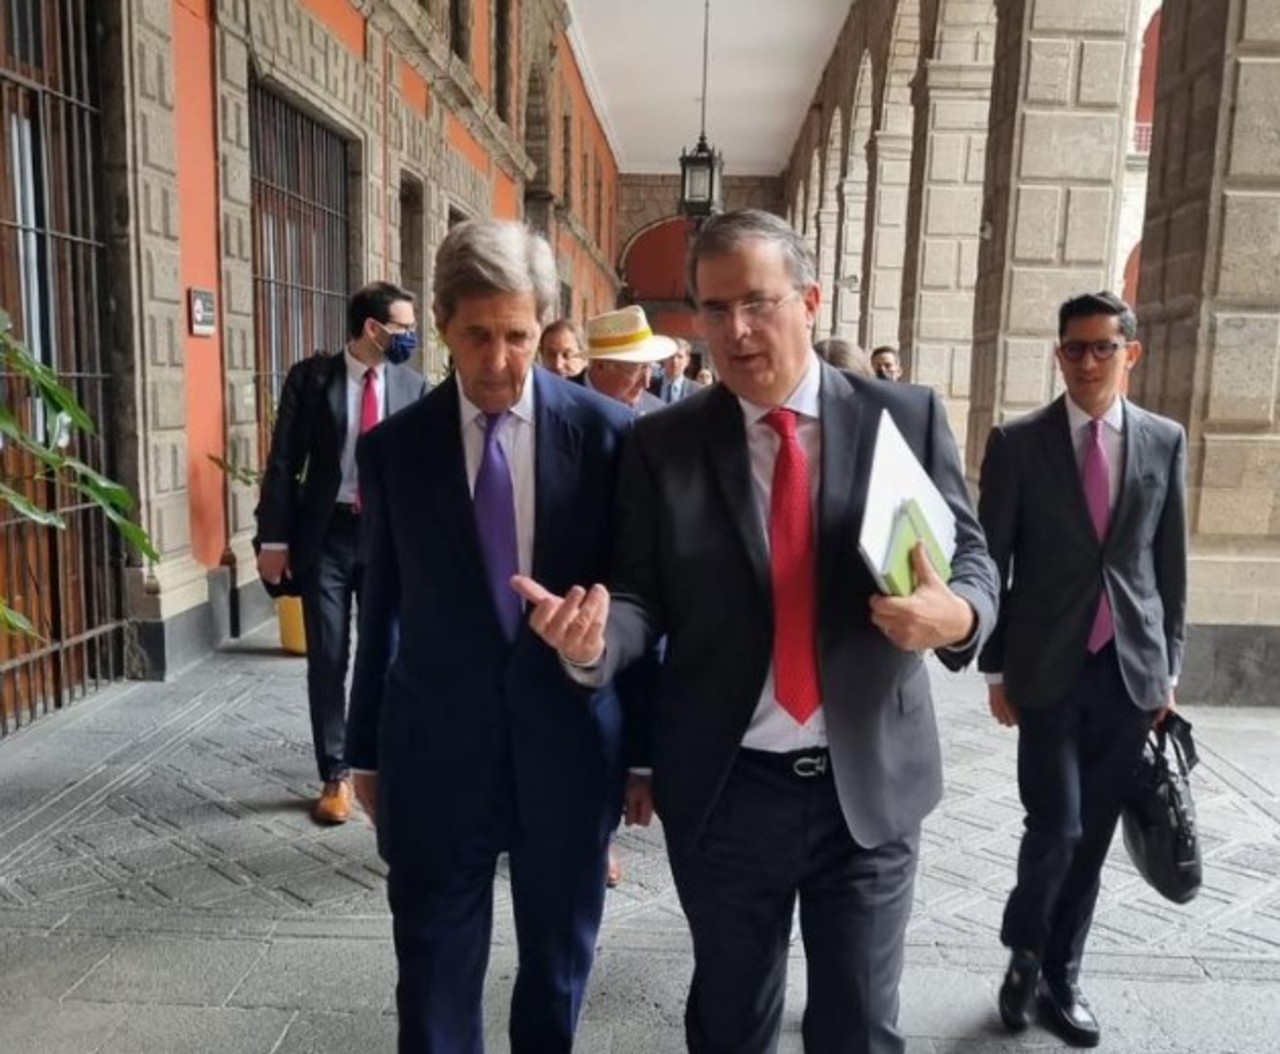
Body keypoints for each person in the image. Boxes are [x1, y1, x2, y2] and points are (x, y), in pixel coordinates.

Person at [515, 208, 999, 1054]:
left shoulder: (904, 417)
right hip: (729, 788)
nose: (734, 330)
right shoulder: (664, 444)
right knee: (731, 1022)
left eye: (756, 303)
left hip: (870, 785)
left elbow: (972, 558)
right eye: (713, 309)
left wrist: (957, 615)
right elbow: (639, 594)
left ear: (808, 301)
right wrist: (594, 644)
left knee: (859, 1029)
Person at [345, 219, 638, 1054]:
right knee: (433, 973)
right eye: (477, 335)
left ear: (543, 326)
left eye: (518, 336)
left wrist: (644, 752)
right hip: (435, 750)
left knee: (558, 968)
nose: (499, 360)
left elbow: (641, 600)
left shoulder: (611, 438)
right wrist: (364, 752)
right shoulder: (394, 450)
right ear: (441, 324)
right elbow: (381, 602)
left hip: (571, 745)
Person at [979, 291, 1187, 1049]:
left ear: (1131, 353)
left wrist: (1168, 670)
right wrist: (995, 671)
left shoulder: (1164, 440)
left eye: (1104, 347)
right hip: (1045, 669)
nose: (1089, 362)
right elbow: (991, 561)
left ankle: (1061, 979)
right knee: (1056, 826)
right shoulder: (1019, 442)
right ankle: (1025, 954)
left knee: (1092, 835)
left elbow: (1169, 565)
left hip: (1129, 671)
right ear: (1058, 354)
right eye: (1075, 348)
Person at [255, 281, 428, 825]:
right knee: (329, 655)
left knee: (387, 654)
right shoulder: (312, 380)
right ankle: (336, 772)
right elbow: (284, 461)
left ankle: (378, 760)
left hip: (385, 537)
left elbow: (424, 476)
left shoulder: (414, 386)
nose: (413, 337)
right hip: (325, 534)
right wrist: (273, 540)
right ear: (372, 329)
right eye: (404, 328)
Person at [582, 306, 672, 416]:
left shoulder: (658, 412)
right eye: (639, 370)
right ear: (600, 365)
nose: (646, 383)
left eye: (650, 367)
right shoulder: (562, 401)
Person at [649, 336, 694, 403]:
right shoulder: (649, 388)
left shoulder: (697, 391)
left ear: (687, 361)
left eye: (680, 357)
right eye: (671, 356)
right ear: (664, 359)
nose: (674, 361)